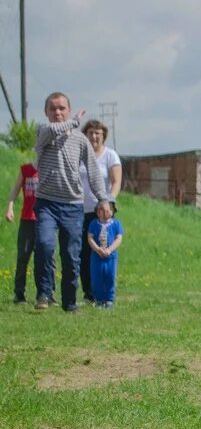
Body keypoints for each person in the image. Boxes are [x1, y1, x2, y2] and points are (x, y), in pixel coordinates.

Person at [33, 92, 109, 312]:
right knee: (45, 245)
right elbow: (56, 129)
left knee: (70, 254)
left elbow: (93, 171)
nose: (57, 112)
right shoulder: (43, 132)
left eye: (62, 108)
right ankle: (44, 293)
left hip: (72, 205)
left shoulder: (80, 140)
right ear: (46, 113)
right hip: (46, 202)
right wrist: (74, 121)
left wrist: (102, 198)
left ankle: (69, 302)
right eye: (53, 109)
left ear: (68, 109)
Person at [79, 119, 122, 304]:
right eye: (90, 133)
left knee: (104, 252)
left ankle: (106, 294)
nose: (94, 136)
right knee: (84, 253)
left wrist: (107, 203)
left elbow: (116, 182)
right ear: (85, 135)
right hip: (81, 209)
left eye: (98, 133)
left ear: (103, 135)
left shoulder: (110, 155)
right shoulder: (80, 154)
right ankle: (89, 293)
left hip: (103, 212)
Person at [5, 160, 39, 304]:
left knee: (45, 258)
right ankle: (19, 294)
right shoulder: (26, 169)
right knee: (23, 256)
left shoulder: (50, 167)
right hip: (27, 219)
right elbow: (15, 189)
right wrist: (10, 207)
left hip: (44, 220)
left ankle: (46, 293)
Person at [85, 199, 122, 308]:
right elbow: (90, 237)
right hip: (97, 257)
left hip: (111, 257)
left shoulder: (116, 224)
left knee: (110, 276)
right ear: (98, 212)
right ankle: (99, 299)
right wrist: (97, 249)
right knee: (97, 277)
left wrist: (110, 249)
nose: (106, 213)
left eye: (108, 210)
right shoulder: (94, 224)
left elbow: (119, 238)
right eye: (102, 210)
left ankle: (109, 299)